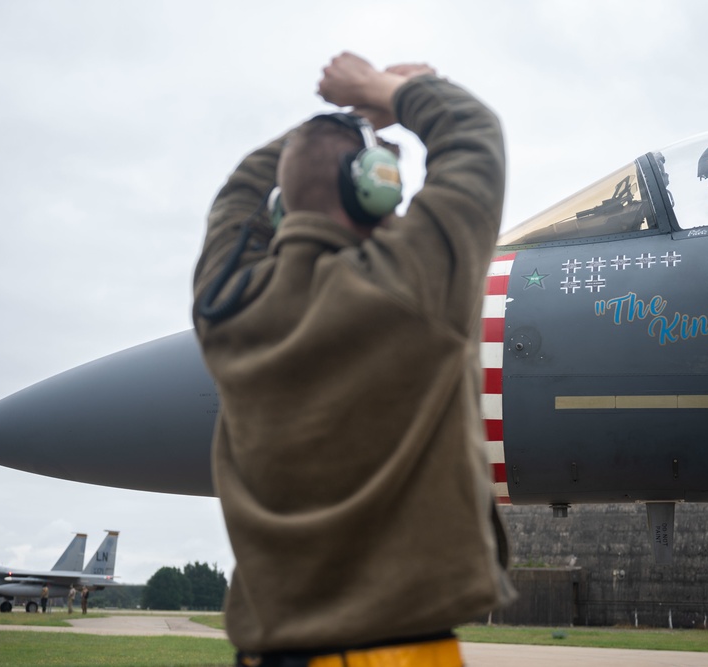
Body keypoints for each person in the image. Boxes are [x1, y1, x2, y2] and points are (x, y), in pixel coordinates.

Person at [192, 52, 515, 667]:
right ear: (373, 187)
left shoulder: (225, 309)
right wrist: (390, 91)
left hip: (265, 653)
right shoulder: (408, 286)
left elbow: (237, 195)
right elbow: (474, 135)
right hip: (392, 653)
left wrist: (334, 129)